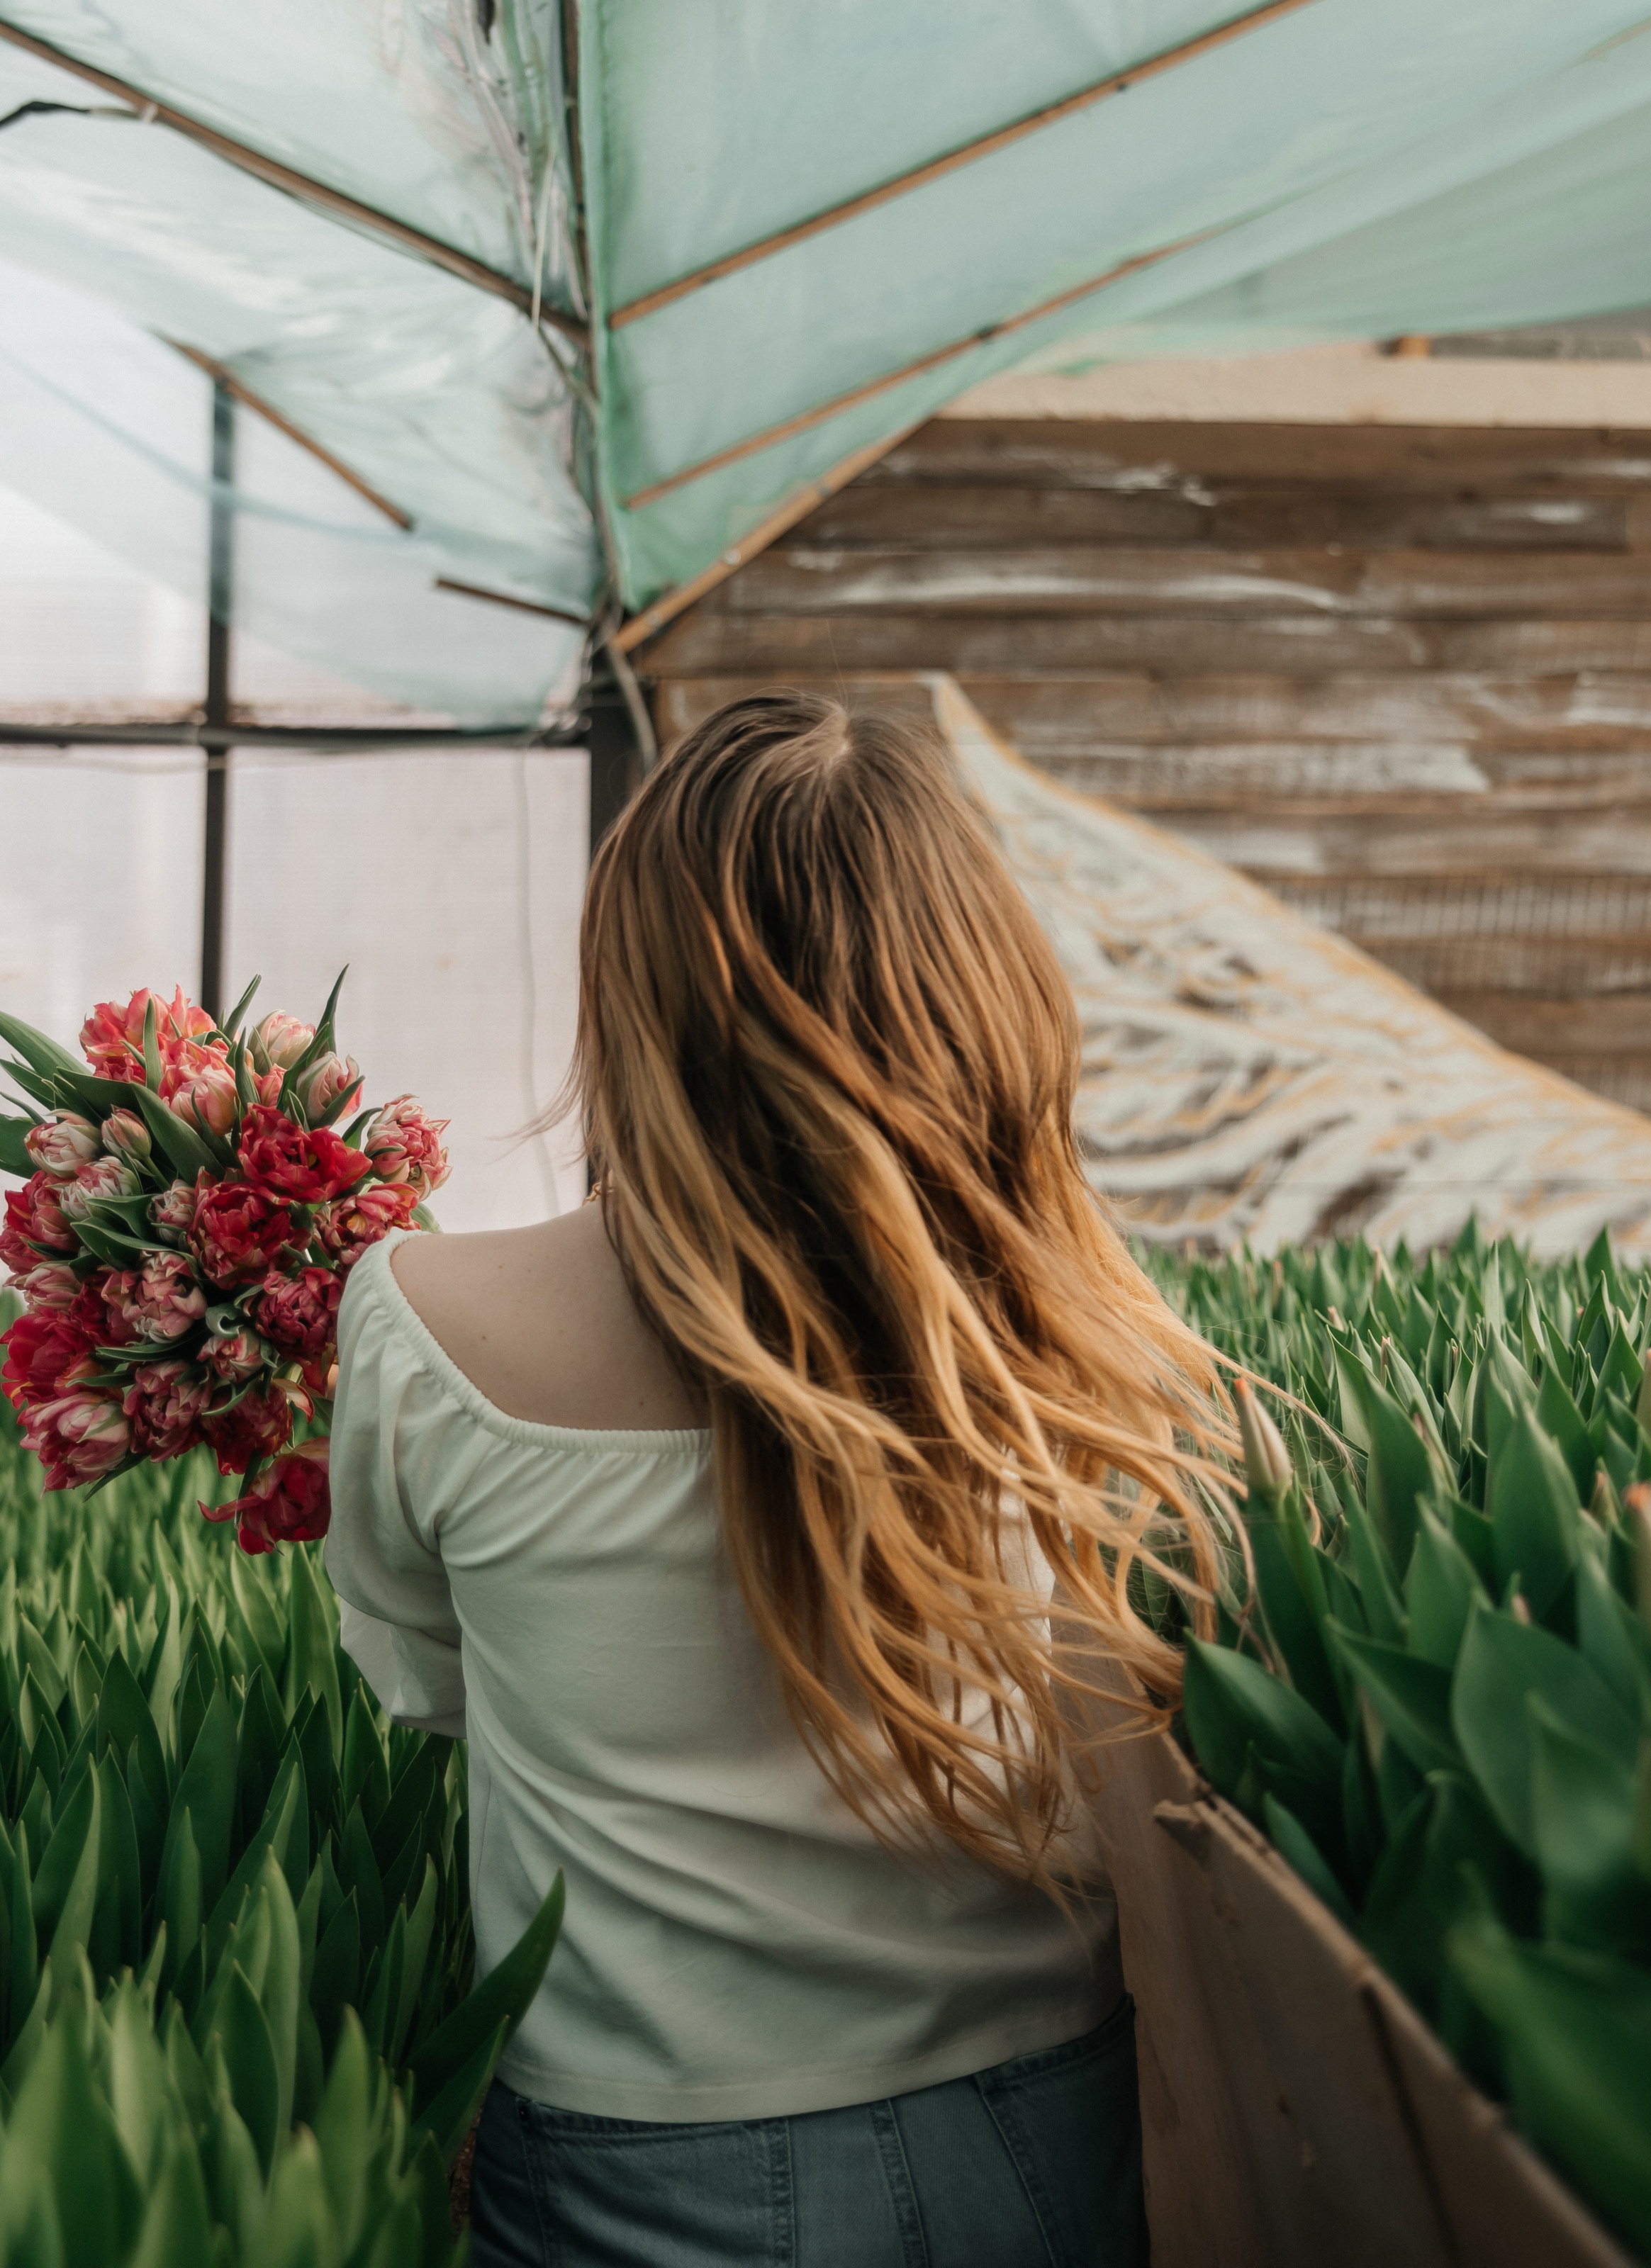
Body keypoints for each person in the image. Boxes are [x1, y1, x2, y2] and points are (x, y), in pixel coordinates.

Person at [325, 692, 1238, 2268]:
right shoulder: (1089, 1345)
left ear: (631, 983)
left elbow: (420, 1685)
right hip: (1042, 2118)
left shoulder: (424, 1322)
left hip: (644, 2150)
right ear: (978, 989)